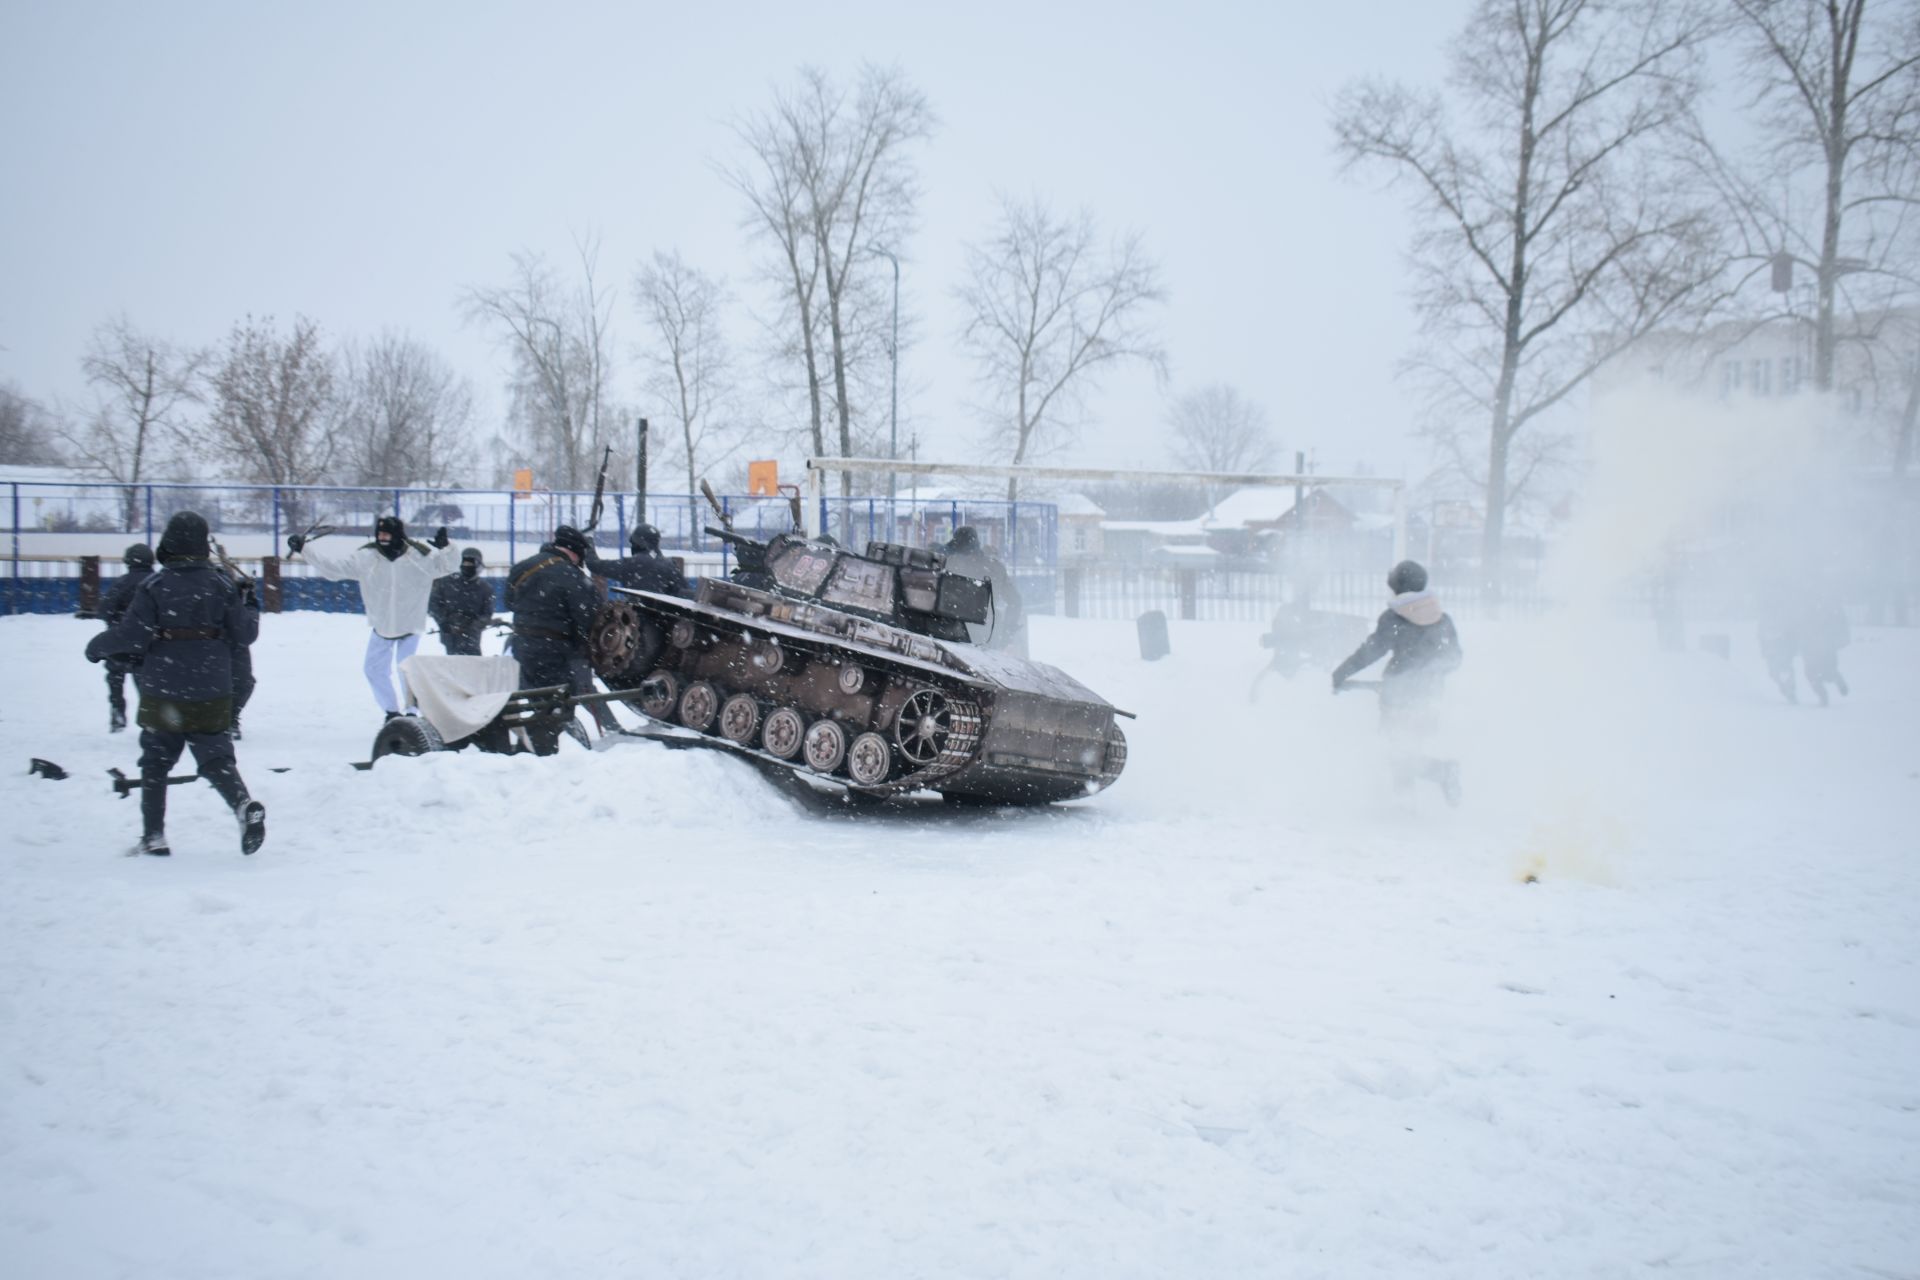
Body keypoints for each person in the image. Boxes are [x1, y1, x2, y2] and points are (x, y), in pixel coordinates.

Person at [84, 511, 267, 857]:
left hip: (164, 688)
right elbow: (245, 633)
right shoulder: (221, 584)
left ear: (168, 542)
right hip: (213, 686)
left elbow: (132, 636)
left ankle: (154, 836)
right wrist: (252, 604)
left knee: (155, 762)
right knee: (215, 758)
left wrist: (98, 647)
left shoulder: (154, 586)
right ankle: (243, 805)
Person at [288, 515, 459, 720]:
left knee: (408, 670)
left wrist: (447, 547)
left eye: (387, 533)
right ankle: (391, 711)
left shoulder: (419, 556)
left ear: (397, 535)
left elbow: (448, 565)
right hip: (382, 626)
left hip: (410, 625)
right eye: (380, 533)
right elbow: (334, 569)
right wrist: (305, 550)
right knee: (373, 670)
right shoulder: (367, 556)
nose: (383, 537)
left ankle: (412, 711)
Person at [1331, 559, 1464, 805]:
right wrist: (1428, 673)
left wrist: (1341, 672)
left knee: (1398, 750)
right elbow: (1454, 658)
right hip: (1430, 696)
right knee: (1408, 747)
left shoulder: (1394, 619)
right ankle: (1406, 803)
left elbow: (1371, 651)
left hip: (1397, 697)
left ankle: (1435, 778)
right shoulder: (1443, 620)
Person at [506, 525, 602, 754]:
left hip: (521, 644)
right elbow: (588, 619)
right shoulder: (573, 576)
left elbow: (509, 601)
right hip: (553, 649)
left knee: (536, 698)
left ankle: (531, 743)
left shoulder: (523, 566)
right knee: (559, 702)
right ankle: (548, 751)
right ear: (576, 552)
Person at [941, 525, 1027, 654]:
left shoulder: (949, 564)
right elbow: (1015, 601)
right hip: (988, 634)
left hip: (950, 632)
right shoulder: (995, 567)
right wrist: (1007, 632)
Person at [97, 542, 155, 732]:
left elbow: (105, 610)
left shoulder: (121, 583)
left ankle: (117, 711)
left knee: (115, 676)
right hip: (148, 643)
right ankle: (150, 718)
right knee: (146, 683)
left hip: (121, 641)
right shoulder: (157, 581)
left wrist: (117, 623)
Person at [429, 547, 496, 656]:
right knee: (452, 664)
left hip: (472, 637)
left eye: (471, 564)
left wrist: (472, 627)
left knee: (472, 664)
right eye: (465, 563)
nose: (467, 567)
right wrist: (444, 622)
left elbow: (487, 613)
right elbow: (434, 605)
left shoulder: (485, 588)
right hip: (450, 633)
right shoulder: (446, 583)